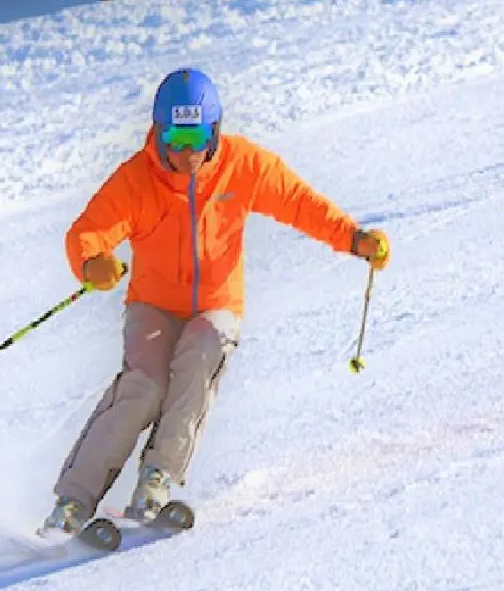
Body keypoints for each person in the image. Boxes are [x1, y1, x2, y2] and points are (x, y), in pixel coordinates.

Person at [41, 67, 390, 534]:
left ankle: (157, 478)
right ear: (159, 133)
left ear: (216, 131)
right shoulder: (137, 179)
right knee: (143, 385)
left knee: (199, 359)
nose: (186, 152)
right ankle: (73, 502)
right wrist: (91, 264)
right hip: (154, 303)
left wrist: (353, 237)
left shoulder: (243, 166)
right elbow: (89, 231)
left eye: (197, 136)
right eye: (176, 138)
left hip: (216, 304)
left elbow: (299, 203)